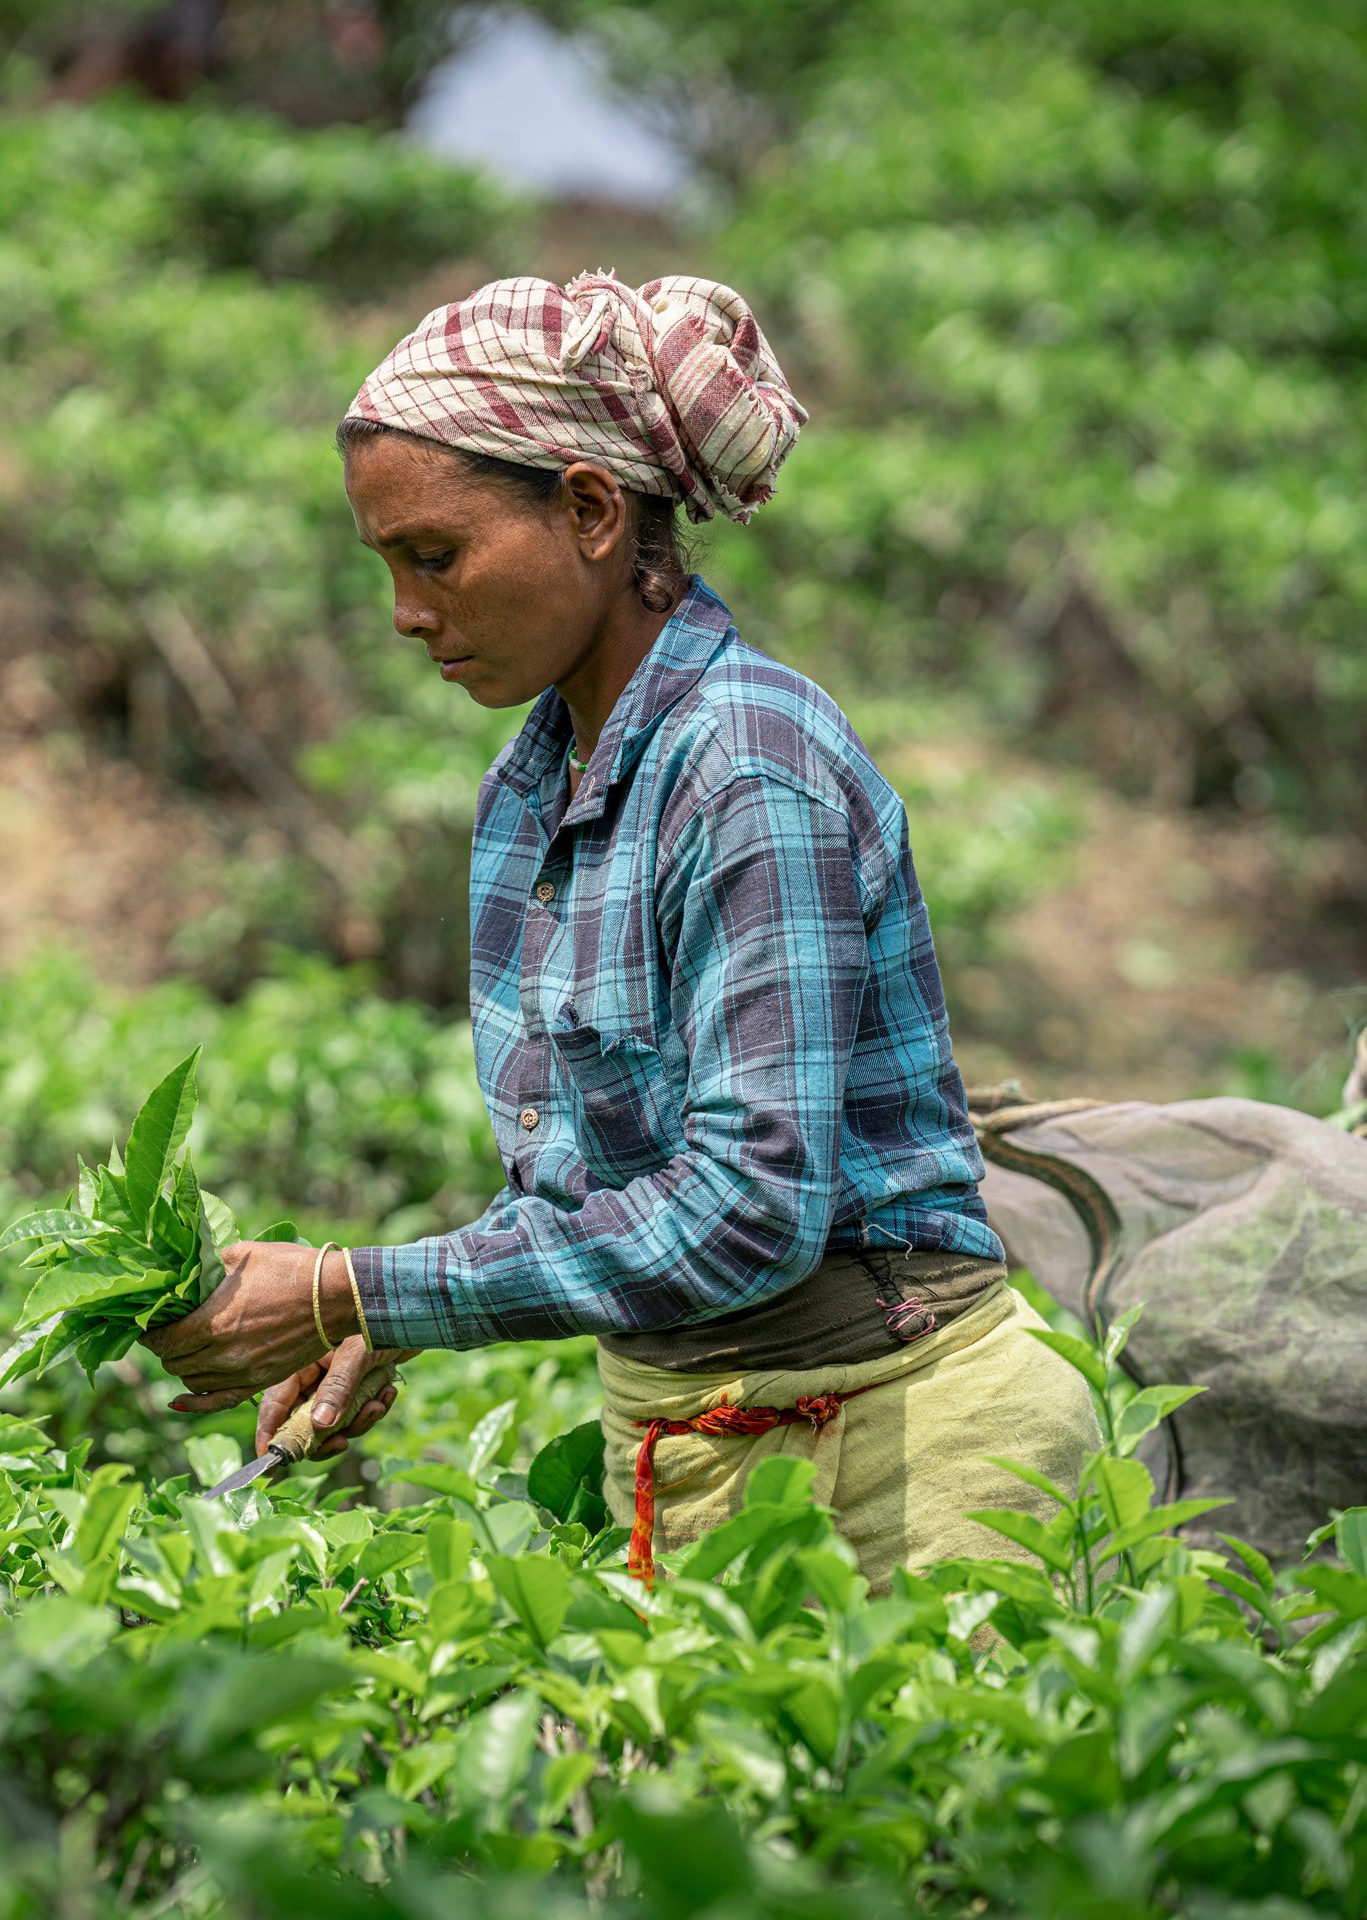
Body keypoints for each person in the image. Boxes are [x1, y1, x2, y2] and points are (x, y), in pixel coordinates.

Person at [144, 273, 1099, 1586]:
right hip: (682, 1444)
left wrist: (354, 1285)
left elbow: (747, 1212)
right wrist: (391, 1320)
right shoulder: (533, 788)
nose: (408, 613)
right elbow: (597, 1172)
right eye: (387, 567)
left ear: (591, 510)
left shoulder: (747, 769)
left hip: (909, 1456)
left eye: (436, 555)